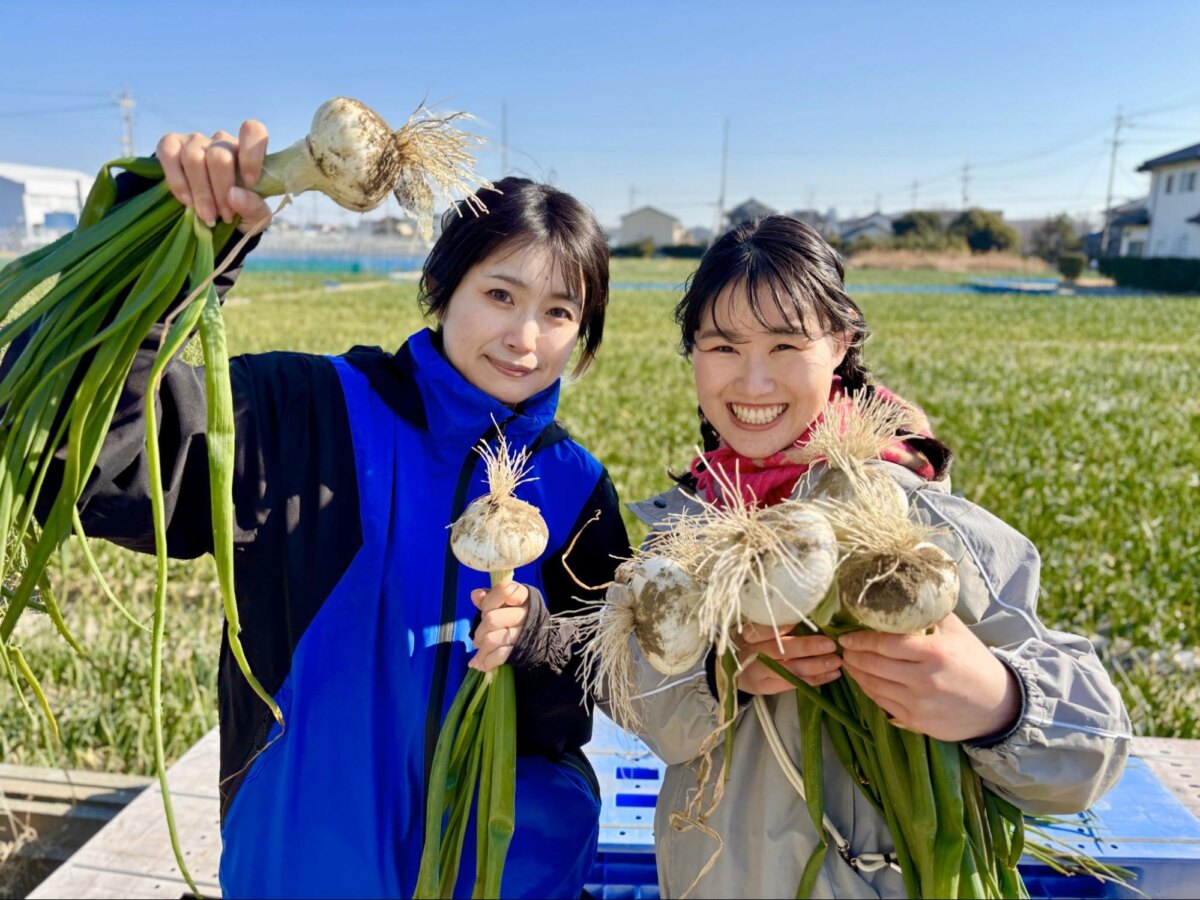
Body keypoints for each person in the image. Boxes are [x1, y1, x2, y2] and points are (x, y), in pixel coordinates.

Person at [5, 123, 631, 898]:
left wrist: (538, 643)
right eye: (500, 295)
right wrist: (163, 253)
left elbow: (615, 685)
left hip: (514, 876)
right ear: (443, 289)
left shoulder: (577, 488)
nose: (525, 337)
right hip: (308, 871)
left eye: (560, 312)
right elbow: (82, 457)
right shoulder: (309, 414)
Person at [603, 215, 1132, 898]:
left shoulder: (912, 519)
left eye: (786, 344)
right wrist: (719, 672)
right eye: (724, 346)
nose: (753, 381)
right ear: (694, 355)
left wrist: (1000, 704)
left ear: (839, 343)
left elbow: (1093, 748)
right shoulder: (686, 531)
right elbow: (635, 705)